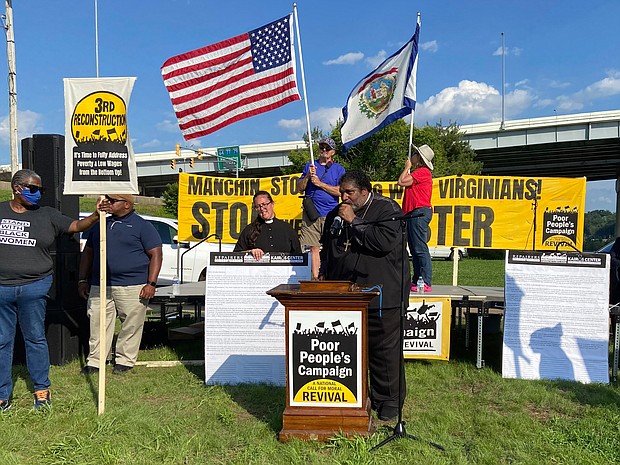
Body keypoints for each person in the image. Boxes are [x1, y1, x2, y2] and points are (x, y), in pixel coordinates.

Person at [0, 169, 104, 411]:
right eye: (34, 189)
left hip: (34, 288)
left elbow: (77, 225)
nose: (39, 194)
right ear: (17, 188)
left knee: (35, 338)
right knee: (2, 341)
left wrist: (96, 215)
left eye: (41, 190)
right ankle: (3, 394)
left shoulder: (47, 215)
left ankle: (41, 390)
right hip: (2, 289)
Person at [319, 170, 410, 421]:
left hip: (383, 294)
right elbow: (329, 248)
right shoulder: (334, 216)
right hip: (346, 293)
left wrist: (354, 222)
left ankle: (389, 400)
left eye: (349, 192)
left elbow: (382, 243)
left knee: (384, 351)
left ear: (365, 192)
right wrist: (324, 273)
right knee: (351, 350)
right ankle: (357, 396)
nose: (344, 197)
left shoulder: (387, 209)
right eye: (342, 192)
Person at [78, 194, 162, 375]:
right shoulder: (100, 224)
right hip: (100, 284)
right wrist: (83, 279)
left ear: (127, 205)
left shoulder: (142, 226)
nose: (108, 202)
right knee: (97, 321)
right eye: (107, 199)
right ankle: (96, 360)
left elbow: (156, 254)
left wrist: (151, 283)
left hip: (133, 285)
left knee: (131, 323)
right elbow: (88, 253)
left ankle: (124, 360)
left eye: (113, 200)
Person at [298, 137, 345, 279]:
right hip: (311, 214)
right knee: (313, 248)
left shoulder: (339, 169)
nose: (324, 150)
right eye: (321, 147)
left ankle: (330, 276)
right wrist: (307, 176)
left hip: (330, 213)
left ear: (333, 152)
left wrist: (320, 184)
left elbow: (341, 192)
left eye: (327, 148)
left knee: (331, 247)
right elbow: (300, 188)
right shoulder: (309, 166)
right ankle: (315, 278)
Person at [397, 144, 434, 292]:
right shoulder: (420, 173)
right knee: (414, 248)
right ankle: (418, 279)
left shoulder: (423, 172)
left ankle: (425, 280)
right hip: (412, 213)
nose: (411, 155)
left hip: (418, 212)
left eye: (414, 154)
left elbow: (401, 182)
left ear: (419, 158)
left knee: (419, 248)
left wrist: (407, 167)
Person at [234, 191, 302, 260]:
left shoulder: (287, 228)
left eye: (264, 204)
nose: (262, 208)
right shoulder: (249, 230)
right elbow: (235, 255)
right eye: (258, 206)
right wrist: (250, 252)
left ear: (272, 204)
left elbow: (299, 255)